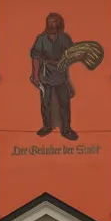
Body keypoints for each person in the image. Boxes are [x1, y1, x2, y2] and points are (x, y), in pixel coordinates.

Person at [29, 12, 78, 141]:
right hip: (45, 74)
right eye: (49, 22)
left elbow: (71, 54)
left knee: (65, 102)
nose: (51, 24)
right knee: (46, 102)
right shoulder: (41, 39)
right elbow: (35, 57)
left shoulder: (64, 38)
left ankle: (66, 129)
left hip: (61, 74)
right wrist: (35, 76)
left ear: (59, 23)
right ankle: (47, 126)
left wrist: (66, 59)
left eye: (54, 22)